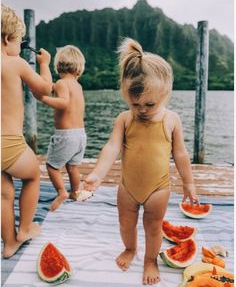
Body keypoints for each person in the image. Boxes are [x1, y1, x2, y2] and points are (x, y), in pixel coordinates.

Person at [84, 38, 199, 285]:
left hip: (158, 188)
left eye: (150, 104)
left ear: (165, 94)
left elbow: (180, 154)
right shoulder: (125, 119)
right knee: (126, 224)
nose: (142, 110)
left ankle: (150, 259)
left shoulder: (172, 120)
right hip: (127, 187)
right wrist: (97, 174)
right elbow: (112, 147)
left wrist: (188, 183)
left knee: (153, 227)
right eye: (135, 103)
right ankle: (130, 248)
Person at [1, 4, 53, 259]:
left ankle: (9, 243)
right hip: (9, 143)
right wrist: (44, 64)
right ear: (7, 39)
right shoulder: (15, 63)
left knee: (4, 193)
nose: (20, 47)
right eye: (20, 42)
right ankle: (24, 229)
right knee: (32, 176)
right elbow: (44, 89)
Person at [40, 45, 87, 211]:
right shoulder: (77, 86)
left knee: (52, 166)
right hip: (81, 135)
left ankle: (61, 191)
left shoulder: (61, 83)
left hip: (65, 135)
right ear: (79, 69)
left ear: (58, 66)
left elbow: (64, 103)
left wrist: (45, 98)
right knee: (72, 166)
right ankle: (75, 191)